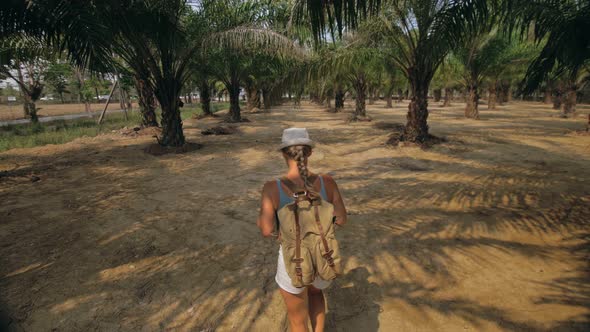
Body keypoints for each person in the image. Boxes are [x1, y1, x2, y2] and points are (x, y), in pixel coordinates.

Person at [257, 128, 347, 332]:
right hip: (324, 256)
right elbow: (341, 220)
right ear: (309, 153)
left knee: (297, 320)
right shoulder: (328, 182)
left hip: (294, 260)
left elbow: (266, 229)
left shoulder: (272, 187)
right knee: (316, 294)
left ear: (283, 153)